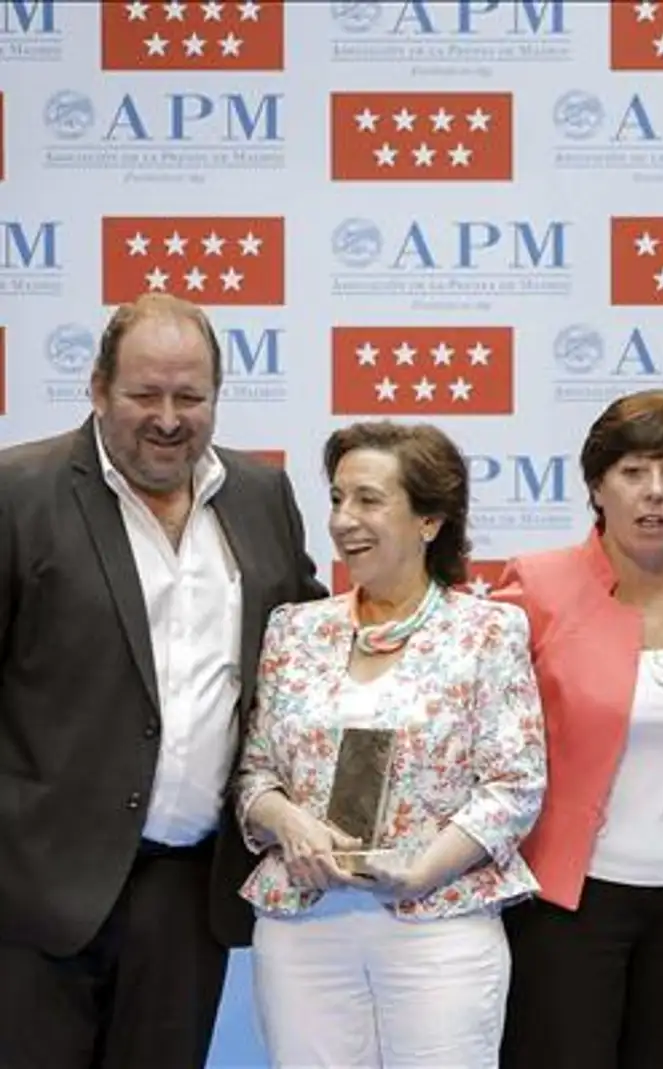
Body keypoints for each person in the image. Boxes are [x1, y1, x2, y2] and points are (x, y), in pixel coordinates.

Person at [0, 294, 327, 1069]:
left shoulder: (261, 497)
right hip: (33, 889)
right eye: (145, 395)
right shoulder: (19, 493)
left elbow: (307, 654)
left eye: (191, 396)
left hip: (188, 891)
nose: (169, 418)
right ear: (97, 389)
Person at [233, 420, 547, 1069]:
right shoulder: (295, 629)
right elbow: (254, 773)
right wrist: (285, 819)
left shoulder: (487, 631)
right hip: (303, 928)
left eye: (370, 500)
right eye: (339, 499)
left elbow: (514, 784)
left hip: (439, 925)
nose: (346, 520)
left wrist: (421, 871)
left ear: (430, 520)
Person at [495, 392, 663, 1069]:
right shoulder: (538, 584)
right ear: (596, 483)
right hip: (570, 904)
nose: (655, 493)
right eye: (634, 471)